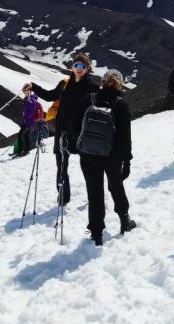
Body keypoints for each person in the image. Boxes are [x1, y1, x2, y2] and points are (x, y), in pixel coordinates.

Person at [27, 53, 99, 206]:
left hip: (81, 133)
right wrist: (34, 87)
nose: (79, 69)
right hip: (62, 131)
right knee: (61, 166)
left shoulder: (92, 87)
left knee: (88, 166)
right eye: (76, 65)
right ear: (72, 67)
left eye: (83, 66)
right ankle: (63, 197)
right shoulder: (64, 84)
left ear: (87, 69)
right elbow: (49, 95)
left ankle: (94, 196)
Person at [73, 69, 136, 246]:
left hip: (88, 156)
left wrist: (81, 147)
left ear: (102, 82)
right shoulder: (120, 105)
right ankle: (124, 220)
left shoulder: (89, 100)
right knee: (116, 186)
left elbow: (74, 125)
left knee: (94, 193)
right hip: (112, 156)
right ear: (120, 85)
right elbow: (125, 138)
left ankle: (96, 232)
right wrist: (127, 161)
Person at [16, 87, 41, 156]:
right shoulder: (29, 99)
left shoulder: (32, 100)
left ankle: (20, 151)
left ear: (29, 91)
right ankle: (25, 150)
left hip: (28, 122)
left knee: (20, 135)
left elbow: (31, 112)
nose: (24, 92)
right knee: (26, 136)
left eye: (25, 91)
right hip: (28, 121)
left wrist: (26, 120)